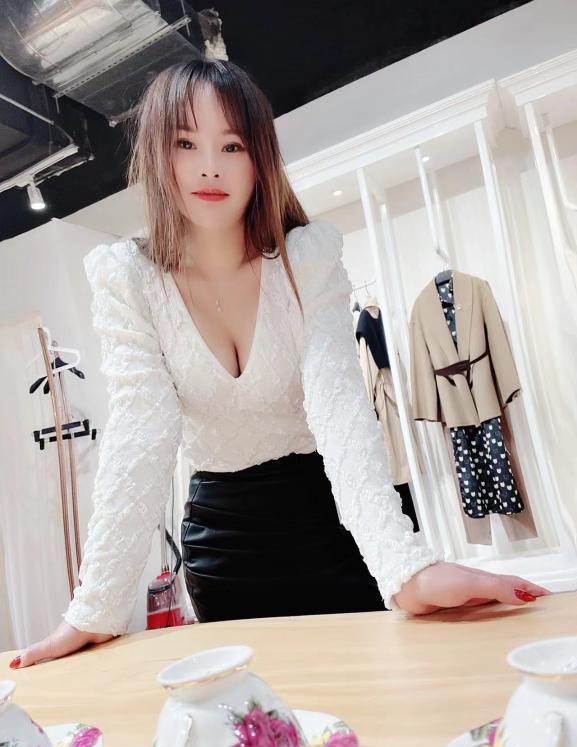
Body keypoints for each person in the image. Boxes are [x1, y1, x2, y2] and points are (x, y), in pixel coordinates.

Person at [10, 58, 549, 670]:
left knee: (374, 688)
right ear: (158, 155)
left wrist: (404, 569)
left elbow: (339, 411)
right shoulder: (128, 278)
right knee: (254, 710)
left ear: (259, 158)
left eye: (231, 145)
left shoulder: (306, 259)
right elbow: (141, 433)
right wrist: (95, 608)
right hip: (222, 546)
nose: (209, 167)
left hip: (328, 520)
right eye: (186, 143)